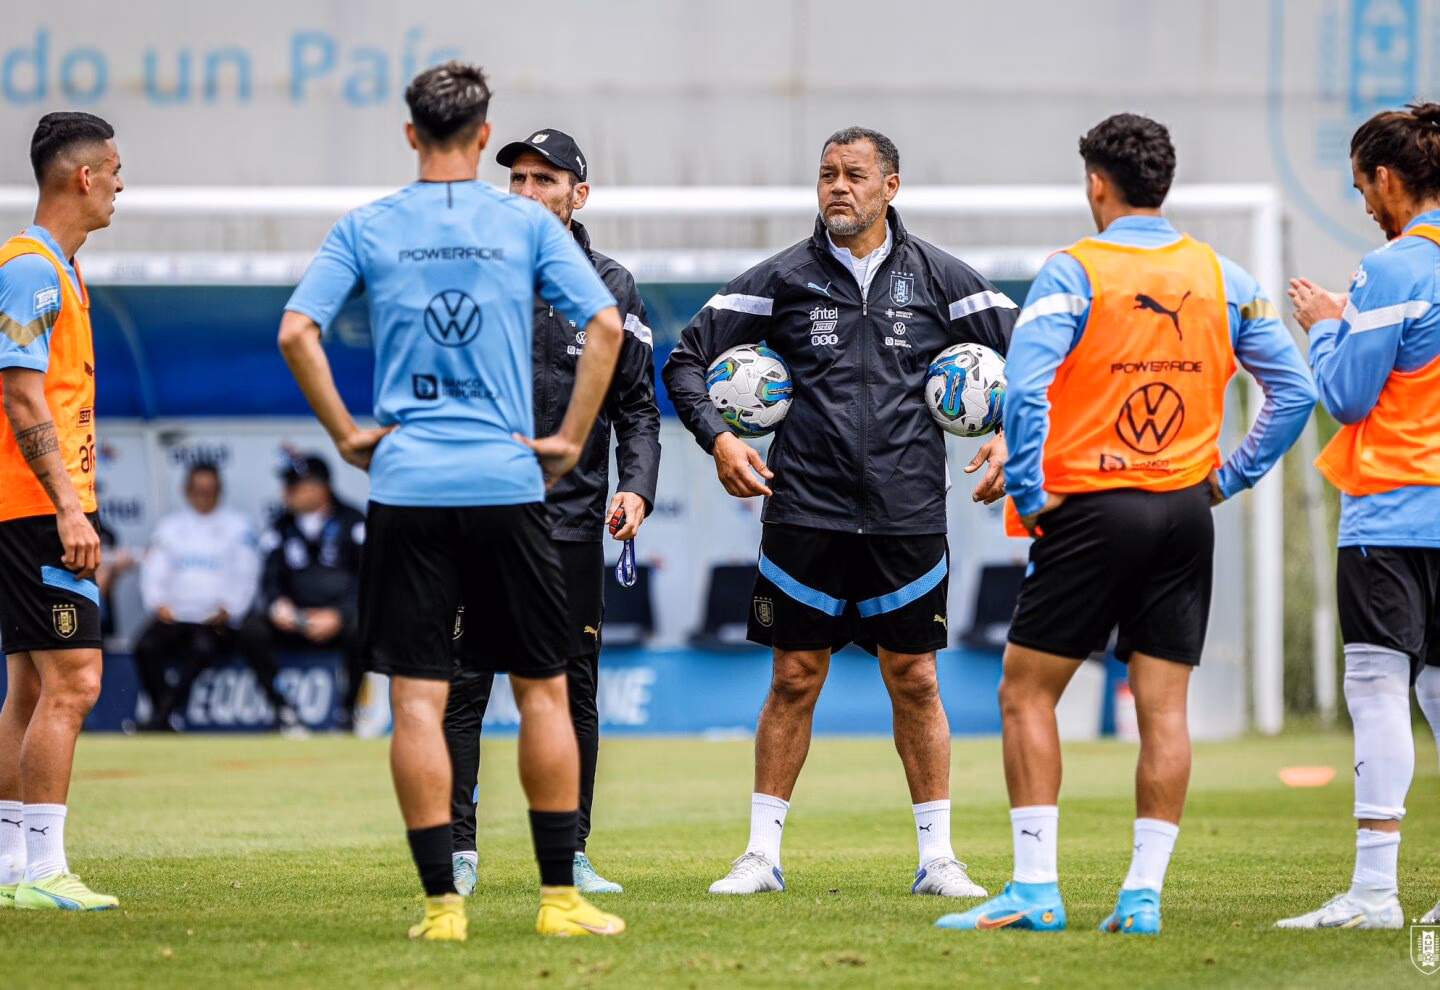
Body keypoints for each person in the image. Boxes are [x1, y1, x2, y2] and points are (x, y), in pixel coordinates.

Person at [936, 113, 1316, 935]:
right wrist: (1228, 477)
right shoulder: (1225, 276)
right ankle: (1141, 897)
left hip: (1092, 510)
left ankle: (1037, 890)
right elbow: (1295, 393)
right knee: (1165, 710)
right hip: (1185, 511)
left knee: (1026, 694)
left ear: (1097, 184)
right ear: (1163, 184)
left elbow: (1027, 392)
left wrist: (1032, 494)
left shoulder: (1074, 272)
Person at [279, 61, 627, 942]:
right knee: (545, 691)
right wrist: (570, 441)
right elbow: (608, 327)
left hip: (406, 484)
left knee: (418, 701)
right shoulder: (521, 222)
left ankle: (443, 906)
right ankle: (559, 900)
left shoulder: (367, 225)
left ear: (409, 136)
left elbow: (296, 330)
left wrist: (349, 437)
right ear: (481, 139)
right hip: (507, 483)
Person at [663, 126, 1013, 899]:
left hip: (909, 517)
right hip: (804, 515)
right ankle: (760, 855)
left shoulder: (946, 281)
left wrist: (1015, 441)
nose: (838, 188)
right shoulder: (782, 278)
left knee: (915, 678)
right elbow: (685, 360)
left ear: (892, 185)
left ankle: (939, 860)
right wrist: (719, 440)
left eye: (855, 174)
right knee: (794, 676)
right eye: (827, 174)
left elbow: (1040, 360)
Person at [445, 128, 661, 898]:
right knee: (464, 686)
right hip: (477, 514)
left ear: (579, 194)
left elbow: (638, 406)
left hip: (570, 524)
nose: (529, 192)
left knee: (573, 692)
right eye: (519, 181)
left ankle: (569, 854)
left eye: (545, 179)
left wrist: (636, 486)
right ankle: (459, 853)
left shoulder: (612, 286)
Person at [1278, 102, 1440, 931]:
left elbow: (1344, 395)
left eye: (1361, 188)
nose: (1365, 205)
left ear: (1386, 179)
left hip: (1395, 511)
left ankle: (1375, 893)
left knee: (1378, 689)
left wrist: (1325, 326)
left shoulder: (1395, 265)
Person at [0, 112, 122, 911]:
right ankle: (40, 868)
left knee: (30, 688)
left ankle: (14, 865)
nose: (120, 186)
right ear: (83, 177)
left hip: (32, 507)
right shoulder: (32, 268)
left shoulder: (55, 268)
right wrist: (71, 509)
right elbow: (17, 389)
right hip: (40, 511)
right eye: (115, 171)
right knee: (76, 684)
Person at [133, 463, 266, 733]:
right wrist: (158, 604)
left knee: (202, 650)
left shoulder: (239, 526)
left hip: (213, 619)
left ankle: (161, 717)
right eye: (198, 490)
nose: (204, 496)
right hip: (175, 615)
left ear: (220, 491)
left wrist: (231, 608)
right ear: (186, 491)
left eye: (211, 490)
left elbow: (247, 572)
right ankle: (164, 714)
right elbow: (153, 570)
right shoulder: (169, 527)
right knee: (145, 646)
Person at [240, 453, 366, 732]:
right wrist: (277, 606)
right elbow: (269, 578)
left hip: (338, 621)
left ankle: (347, 713)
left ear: (320, 487)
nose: (286, 492)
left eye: (294, 485)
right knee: (251, 628)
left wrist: (339, 615)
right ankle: (282, 711)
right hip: (295, 621)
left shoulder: (353, 522)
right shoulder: (281, 526)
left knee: (363, 627)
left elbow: (370, 579)